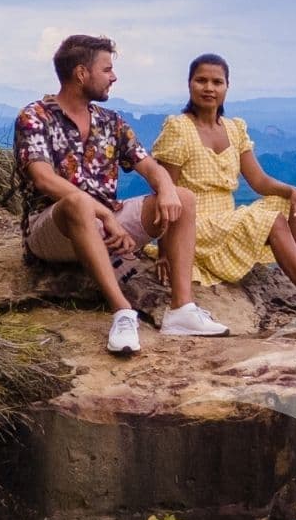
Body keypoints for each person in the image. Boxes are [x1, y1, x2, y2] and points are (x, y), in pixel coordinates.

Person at [15, 34, 230, 353]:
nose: (113, 77)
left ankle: (182, 311)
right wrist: (103, 215)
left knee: (183, 198)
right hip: (54, 229)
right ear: (81, 73)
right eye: (107, 69)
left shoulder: (110, 122)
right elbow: (44, 179)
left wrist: (167, 188)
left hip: (108, 220)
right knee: (76, 203)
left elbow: (149, 165)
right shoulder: (35, 117)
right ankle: (122, 313)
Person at [148, 54, 296, 326]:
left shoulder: (235, 129)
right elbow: (168, 194)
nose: (209, 88)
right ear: (189, 85)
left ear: (227, 87)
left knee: (286, 206)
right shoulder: (179, 129)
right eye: (201, 80)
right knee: (270, 220)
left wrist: (291, 189)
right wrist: (166, 250)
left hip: (226, 219)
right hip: (196, 227)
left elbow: (259, 181)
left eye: (217, 82)